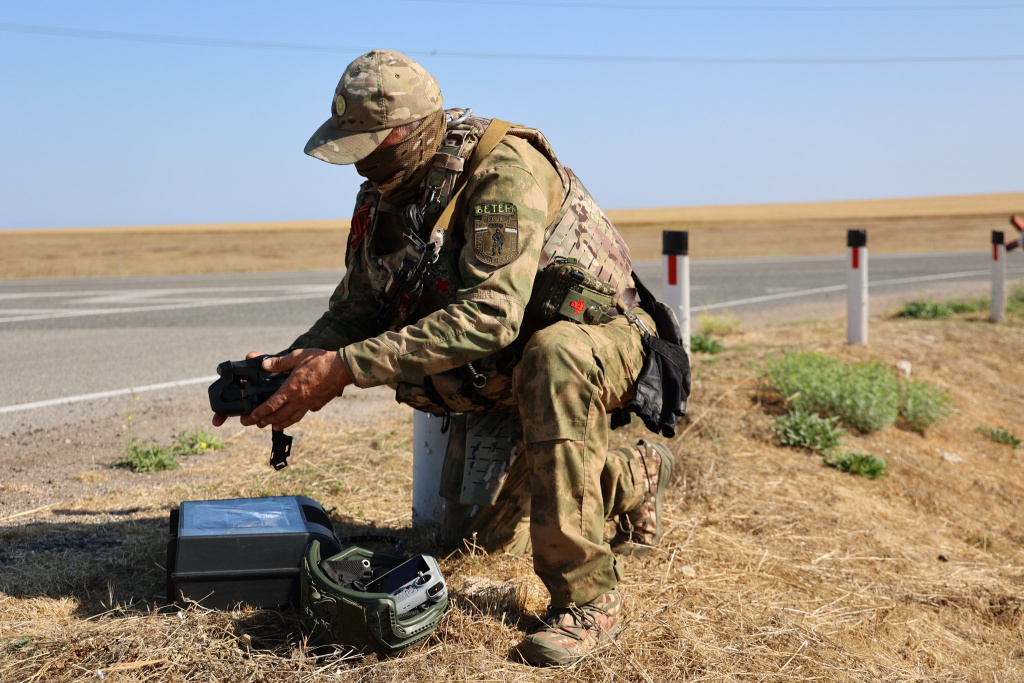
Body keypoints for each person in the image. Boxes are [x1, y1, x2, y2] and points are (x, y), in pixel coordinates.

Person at [213, 49, 686, 667]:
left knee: (554, 354)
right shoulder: (382, 193)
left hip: (588, 345)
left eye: (371, 147)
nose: (359, 166)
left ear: (411, 131)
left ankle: (588, 597)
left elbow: (492, 316)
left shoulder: (501, 171)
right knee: (469, 542)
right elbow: (357, 307)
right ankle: (630, 476)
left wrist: (346, 369)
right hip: (497, 368)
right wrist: (297, 367)